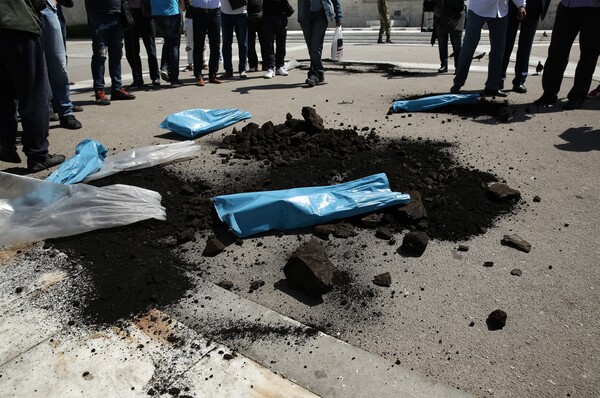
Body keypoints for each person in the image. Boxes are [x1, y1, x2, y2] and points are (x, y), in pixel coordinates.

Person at [1, 0, 66, 172]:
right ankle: (38, 155)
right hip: (19, 25)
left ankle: (5, 143)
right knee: (33, 93)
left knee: (3, 93)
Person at [450, 0, 526, 97]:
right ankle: (458, 83)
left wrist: (521, 5)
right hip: (478, 9)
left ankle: (492, 86)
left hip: (500, 11)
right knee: (469, 46)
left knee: (498, 49)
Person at [534, 0, 600, 110]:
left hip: (593, 9)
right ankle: (549, 93)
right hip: (567, 6)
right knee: (557, 50)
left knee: (588, 54)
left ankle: (577, 97)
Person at [85, 0, 136, 105]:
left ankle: (117, 89)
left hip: (117, 14)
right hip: (98, 16)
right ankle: (99, 90)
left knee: (116, 55)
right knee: (100, 55)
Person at [41, 0, 82, 130]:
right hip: (21, 11)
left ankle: (65, 112)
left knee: (58, 64)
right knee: (30, 69)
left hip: (45, 8)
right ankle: (43, 112)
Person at [500, 0, 552, 93]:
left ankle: (519, 80)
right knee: (506, 42)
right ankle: (499, 78)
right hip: (512, 3)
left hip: (534, 5)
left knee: (526, 44)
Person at [298, 0, 343, 87]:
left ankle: (314, 75)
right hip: (305, 15)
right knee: (311, 48)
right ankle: (320, 73)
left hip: (321, 15)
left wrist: (339, 16)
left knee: (315, 46)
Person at [124, 0, 161, 89]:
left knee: (150, 48)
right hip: (129, 13)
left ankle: (155, 77)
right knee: (131, 50)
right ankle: (137, 79)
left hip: (146, 14)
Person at [151, 0, 185, 87]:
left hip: (156, 11)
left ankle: (165, 67)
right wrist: (182, 6)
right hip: (171, 11)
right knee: (174, 45)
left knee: (167, 40)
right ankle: (174, 78)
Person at [191, 0, 223, 85]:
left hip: (215, 12)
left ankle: (213, 75)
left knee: (215, 46)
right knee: (198, 45)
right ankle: (198, 76)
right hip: (199, 12)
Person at [261, 0, 291, 78]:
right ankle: (270, 67)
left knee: (281, 42)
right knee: (268, 43)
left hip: (281, 15)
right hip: (267, 15)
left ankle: (280, 66)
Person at [434, 0, 465, 73]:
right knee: (442, 42)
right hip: (441, 14)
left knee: (457, 43)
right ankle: (443, 65)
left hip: (456, 14)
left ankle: (458, 67)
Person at [220, 0, 249, 79]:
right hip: (225, 13)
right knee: (226, 44)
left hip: (241, 13)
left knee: (243, 43)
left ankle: (242, 69)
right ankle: (228, 70)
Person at [247, 0, 264, 71]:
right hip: (248, 16)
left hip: (261, 16)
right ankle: (253, 65)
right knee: (250, 43)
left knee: (265, 41)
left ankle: (267, 64)